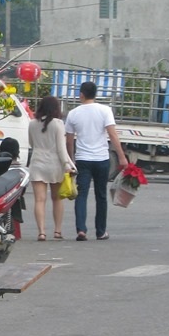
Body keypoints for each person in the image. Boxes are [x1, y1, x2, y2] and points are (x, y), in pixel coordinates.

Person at [64, 81, 128, 241]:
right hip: (102, 158)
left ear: (81, 94)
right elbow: (113, 135)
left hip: (83, 159)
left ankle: (81, 230)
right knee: (101, 195)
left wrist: (70, 160)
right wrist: (121, 156)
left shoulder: (73, 114)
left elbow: (69, 141)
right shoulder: (105, 110)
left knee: (82, 194)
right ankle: (101, 231)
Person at [28, 95, 75, 241]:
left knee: (39, 200)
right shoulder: (58, 123)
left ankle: (41, 232)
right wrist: (69, 165)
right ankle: (57, 231)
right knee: (57, 199)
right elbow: (62, 149)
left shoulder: (32, 123)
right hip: (55, 164)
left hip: (37, 162)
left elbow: (31, 143)